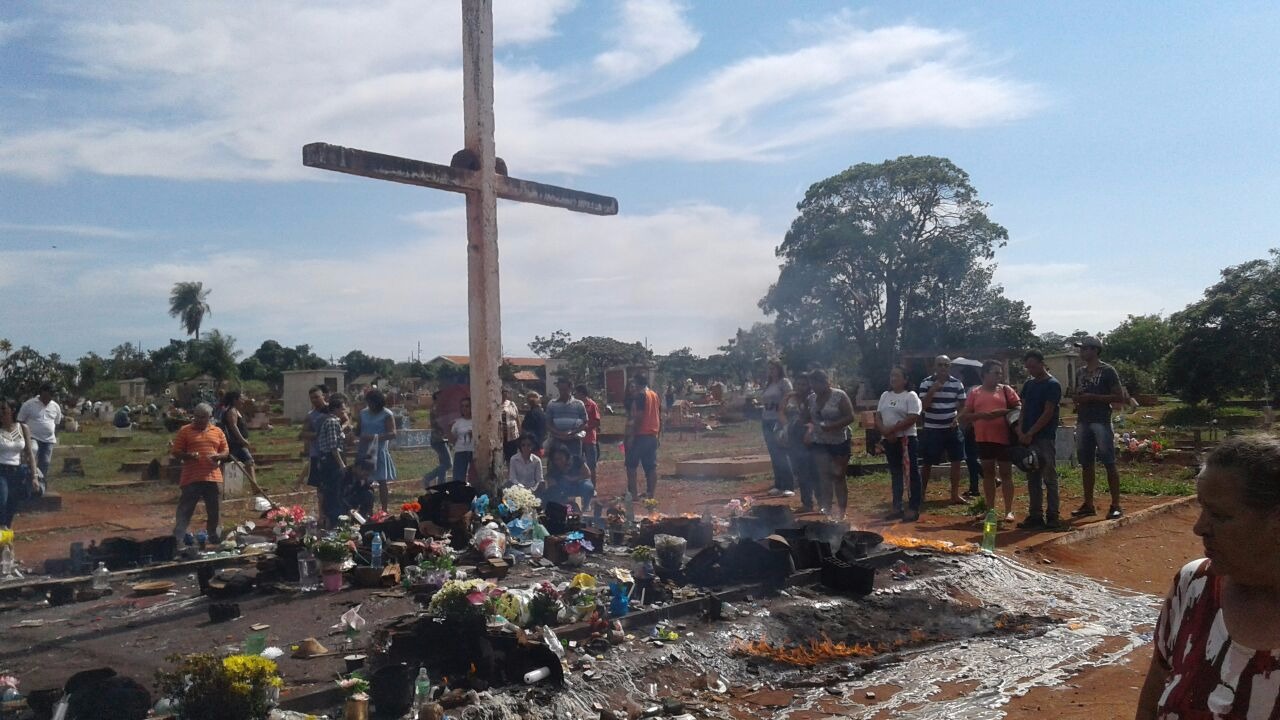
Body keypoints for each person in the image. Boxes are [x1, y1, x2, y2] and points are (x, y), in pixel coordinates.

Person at [1136, 434, 1280, 719]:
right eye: (1202, 509)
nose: (1199, 528)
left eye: (1220, 515)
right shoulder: (1193, 586)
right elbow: (1150, 705)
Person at [1071, 336, 1126, 520]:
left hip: (1101, 420)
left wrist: (1092, 398)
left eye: (1085, 348)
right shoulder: (1080, 372)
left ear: (1095, 350)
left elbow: (1118, 397)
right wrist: (1078, 398)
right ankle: (1088, 504)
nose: (1081, 352)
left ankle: (1116, 504)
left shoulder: (1108, 371)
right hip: (1083, 420)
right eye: (1081, 349)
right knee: (1086, 464)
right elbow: (1077, 393)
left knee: (1109, 462)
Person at [959, 360, 1020, 523]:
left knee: (1006, 473)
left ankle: (1009, 510)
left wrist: (1001, 412)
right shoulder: (975, 392)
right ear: (984, 374)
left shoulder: (1006, 390)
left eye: (1000, 373)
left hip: (1004, 437)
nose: (999, 376)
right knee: (988, 474)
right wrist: (981, 416)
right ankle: (990, 510)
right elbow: (965, 415)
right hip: (983, 438)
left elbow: (1018, 408)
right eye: (995, 373)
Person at [1016, 350, 1063, 530]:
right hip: (1028, 437)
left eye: (1033, 366)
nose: (1031, 370)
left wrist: (1030, 433)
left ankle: (1053, 516)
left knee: (1049, 476)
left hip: (1044, 437)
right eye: (1028, 367)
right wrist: (1020, 430)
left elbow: (1048, 412)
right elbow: (1023, 409)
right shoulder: (1029, 385)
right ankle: (1035, 515)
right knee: (1032, 476)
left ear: (1042, 363)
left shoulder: (1052, 385)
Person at [170, 403, 229, 542]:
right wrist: (189, 455)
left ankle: (214, 536)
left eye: (203, 417)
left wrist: (219, 456)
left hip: (212, 476)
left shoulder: (217, 431)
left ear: (210, 417)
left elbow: (225, 451)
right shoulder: (185, 430)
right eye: (197, 417)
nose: (199, 420)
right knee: (186, 508)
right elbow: (176, 452)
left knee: (214, 510)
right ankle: (178, 536)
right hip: (192, 477)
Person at [918, 356, 969, 506]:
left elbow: (963, 405)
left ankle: (954, 495)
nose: (943, 367)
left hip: (951, 428)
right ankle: (921, 494)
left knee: (956, 461)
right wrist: (932, 390)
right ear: (935, 366)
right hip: (932, 429)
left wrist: (957, 418)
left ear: (950, 367)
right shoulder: (926, 383)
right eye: (940, 364)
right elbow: (923, 407)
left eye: (946, 365)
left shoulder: (957, 383)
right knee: (927, 462)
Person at [807, 370, 855, 520]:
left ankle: (841, 511)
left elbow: (850, 417)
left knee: (838, 476)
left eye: (816, 383)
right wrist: (809, 431)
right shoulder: (812, 398)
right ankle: (826, 509)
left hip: (839, 441)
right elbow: (811, 419)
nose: (814, 387)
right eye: (812, 384)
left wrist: (833, 426)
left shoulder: (839, 396)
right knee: (824, 476)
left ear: (825, 382)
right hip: (820, 441)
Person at [877, 367, 923, 522]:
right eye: (891, 375)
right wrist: (885, 432)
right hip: (889, 440)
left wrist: (893, 430)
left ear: (905, 379)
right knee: (896, 473)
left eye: (897, 375)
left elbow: (912, 417)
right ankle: (897, 507)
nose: (893, 378)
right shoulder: (885, 395)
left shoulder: (910, 396)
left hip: (906, 439)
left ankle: (913, 507)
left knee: (911, 473)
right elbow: (878, 416)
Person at [779, 373, 819, 513]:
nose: (800, 387)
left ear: (809, 385)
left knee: (813, 470)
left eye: (803, 384)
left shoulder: (812, 398)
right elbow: (782, 412)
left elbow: (815, 417)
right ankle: (806, 503)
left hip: (808, 436)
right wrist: (785, 428)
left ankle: (821, 502)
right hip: (793, 436)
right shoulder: (789, 397)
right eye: (798, 384)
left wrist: (810, 431)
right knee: (800, 471)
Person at [0, 398, 39, 530]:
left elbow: (30, 454)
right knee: (2, 501)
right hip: (1, 471)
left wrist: (34, 476)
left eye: (3, 409)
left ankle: (5, 539)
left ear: (12, 410)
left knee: (12, 505)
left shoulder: (23, 428)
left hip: (17, 472)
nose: (1, 412)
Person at [357, 389, 398, 512]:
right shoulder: (363, 413)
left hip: (379, 450)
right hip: (364, 451)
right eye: (368, 402)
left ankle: (384, 510)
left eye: (372, 403)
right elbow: (358, 430)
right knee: (364, 481)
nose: (370, 405)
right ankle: (366, 509)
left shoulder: (387, 414)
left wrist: (374, 437)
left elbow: (393, 433)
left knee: (382, 481)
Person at [313, 394, 349, 528]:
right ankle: (333, 522)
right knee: (334, 492)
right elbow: (334, 447)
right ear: (335, 409)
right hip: (331, 461)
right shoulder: (333, 422)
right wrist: (342, 464)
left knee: (329, 492)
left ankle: (328, 520)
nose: (344, 412)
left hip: (325, 460)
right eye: (342, 409)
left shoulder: (327, 421)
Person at [760, 360, 795, 498]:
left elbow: (790, 398)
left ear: (779, 369)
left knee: (782, 452)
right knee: (773, 453)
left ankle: (788, 485)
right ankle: (778, 484)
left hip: (778, 419)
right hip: (766, 419)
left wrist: (784, 415)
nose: (771, 371)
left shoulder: (784, 383)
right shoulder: (769, 384)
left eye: (773, 368)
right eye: (769, 369)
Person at [624, 374, 662, 499]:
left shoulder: (641, 395)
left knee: (631, 466)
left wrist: (632, 435)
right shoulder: (654, 395)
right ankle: (651, 493)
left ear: (638, 382)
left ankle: (633, 494)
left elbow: (639, 417)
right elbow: (658, 415)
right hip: (652, 434)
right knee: (650, 467)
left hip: (640, 435)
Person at [17, 383, 62, 484]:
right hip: (32, 438)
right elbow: (20, 421)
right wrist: (23, 438)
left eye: (53, 394)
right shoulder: (29, 404)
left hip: (48, 440)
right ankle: (28, 481)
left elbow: (57, 423)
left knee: (45, 462)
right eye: (50, 393)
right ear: (42, 392)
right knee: (30, 461)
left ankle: (41, 483)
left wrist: (55, 435)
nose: (51, 396)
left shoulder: (55, 406)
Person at [218, 390, 257, 496]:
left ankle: (255, 488)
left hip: (236, 444)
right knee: (248, 461)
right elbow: (233, 427)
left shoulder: (235, 410)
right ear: (235, 400)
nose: (243, 400)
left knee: (248, 462)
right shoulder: (232, 411)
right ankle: (216, 488)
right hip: (234, 444)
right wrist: (242, 440)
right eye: (241, 398)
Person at [957, 365, 984, 500]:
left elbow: (970, 409)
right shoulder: (979, 388)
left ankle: (984, 478)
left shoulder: (971, 390)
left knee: (970, 457)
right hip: (975, 426)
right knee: (971, 456)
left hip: (970, 426)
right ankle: (974, 487)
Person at [540, 445, 594, 510]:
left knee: (587, 486)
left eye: (561, 458)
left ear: (566, 455)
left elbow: (587, 474)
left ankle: (586, 505)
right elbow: (551, 482)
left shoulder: (576, 459)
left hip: (579, 484)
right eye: (556, 459)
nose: (558, 461)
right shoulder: (552, 466)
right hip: (562, 489)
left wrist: (573, 479)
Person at [546, 377, 587, 460]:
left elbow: (585, 423)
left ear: (570, 388)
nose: (563, 392)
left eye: (565, 389)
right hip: (557, 441)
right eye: (560, 390)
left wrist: (572, 432)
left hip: (574, 441)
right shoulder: (552, 404)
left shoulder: (579, 404)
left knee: (575, 465)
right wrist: (559, 433)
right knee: (556, 466)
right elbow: (548, 424)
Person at [298, 385, 328, 490]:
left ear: (323, 396)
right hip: (317, 453)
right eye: (312, 398)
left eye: (316, 397)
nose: (314, 400)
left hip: (332, 453)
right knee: (320, 486)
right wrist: (316, 435)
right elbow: (303, 433)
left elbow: (346, 419)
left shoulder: (332, 410)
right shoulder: (311, 415)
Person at [575, 384, 602, 486]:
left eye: (576, 393)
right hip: (578, 440)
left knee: (591, 465)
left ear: (581, 393)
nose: (575, 395)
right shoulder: (577, 405)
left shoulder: (592, 405)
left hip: (590, 439)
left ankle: (593, 487)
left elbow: (596, 422)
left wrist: (585, 428)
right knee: (579, 464)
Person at [426, 391, 452, 486]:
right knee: (448, 464)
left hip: (439, 438)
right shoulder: (437, 408)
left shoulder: (436, 407)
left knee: (443, 464)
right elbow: (440, 423)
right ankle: (428, 477)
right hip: (439, 438)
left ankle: (441, 484)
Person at [449, 397, 475, 484]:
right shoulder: (457, 422)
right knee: (458, 478)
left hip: (474, 452)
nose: (464, 408)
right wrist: (449, 429)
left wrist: (473, 435)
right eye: (462, 406)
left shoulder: (476, 421)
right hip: (460, 451)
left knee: (474, 477)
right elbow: (452, 441)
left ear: (471, 407)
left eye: (467, 406)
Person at [500, 388, 522, 462]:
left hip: (512, 435)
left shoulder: (511, 404)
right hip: (500, 436)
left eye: (506, 392)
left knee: (512, 457)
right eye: (503, 392)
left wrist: (520, 432)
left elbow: (517, 418)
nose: (505, 394)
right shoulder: (496, 404)